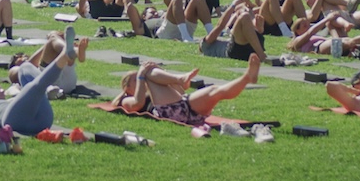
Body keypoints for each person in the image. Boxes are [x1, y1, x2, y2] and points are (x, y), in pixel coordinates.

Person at [112, 53, 264, 126]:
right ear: (127, 88)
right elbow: (138, 104)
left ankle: (247, 78)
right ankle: (180, 78)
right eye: (136, 81)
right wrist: (141, 75)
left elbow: (180, 92)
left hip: (186, 107)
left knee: (215, 91)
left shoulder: (155, 92)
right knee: (148, 71)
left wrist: (161, 75)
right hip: (169, 111)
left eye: (140, 79)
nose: (142, 82)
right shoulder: (125, 100)